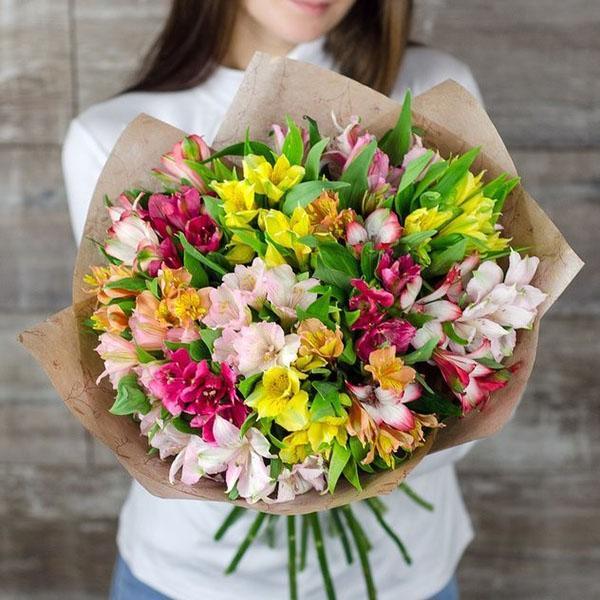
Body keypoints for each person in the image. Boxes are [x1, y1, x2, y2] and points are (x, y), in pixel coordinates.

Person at [63, 2, 482, 599]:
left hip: (405, 576)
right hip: (192, 579)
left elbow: (475, 370)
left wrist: (359, 442)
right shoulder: (110, 134)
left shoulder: (436, 89)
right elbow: (127, 378)